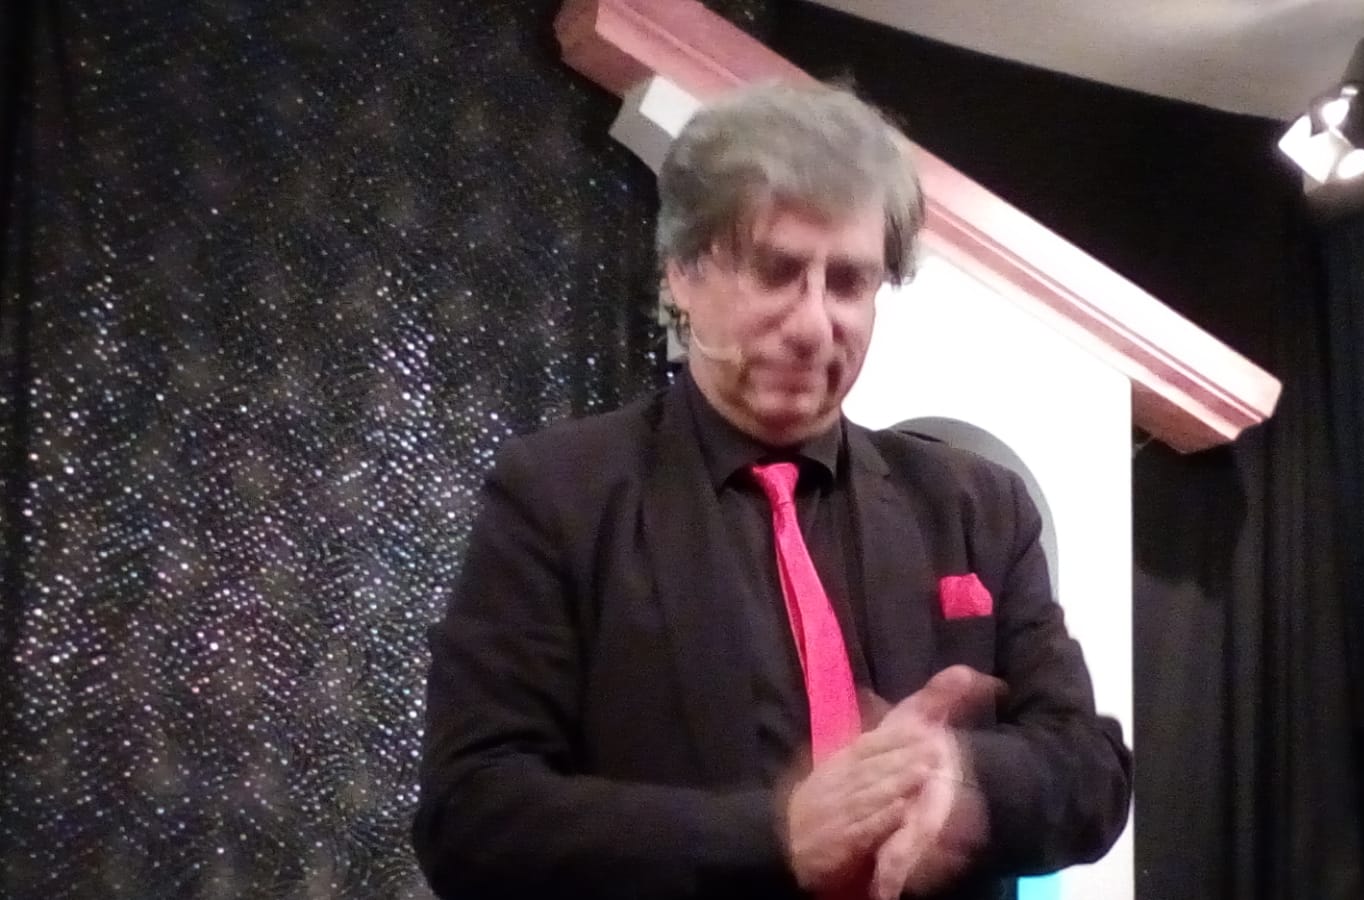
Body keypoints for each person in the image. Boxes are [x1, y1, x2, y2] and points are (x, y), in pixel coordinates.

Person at [412, 81, 1132, 900]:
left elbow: (1094, 773)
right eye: (776, 271)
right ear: (682, 274)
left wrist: (964, 775)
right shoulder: (560, 496)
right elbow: (471, 816)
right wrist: (775, 833)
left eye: (849, 282)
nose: (814, 323)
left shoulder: (979, 507)